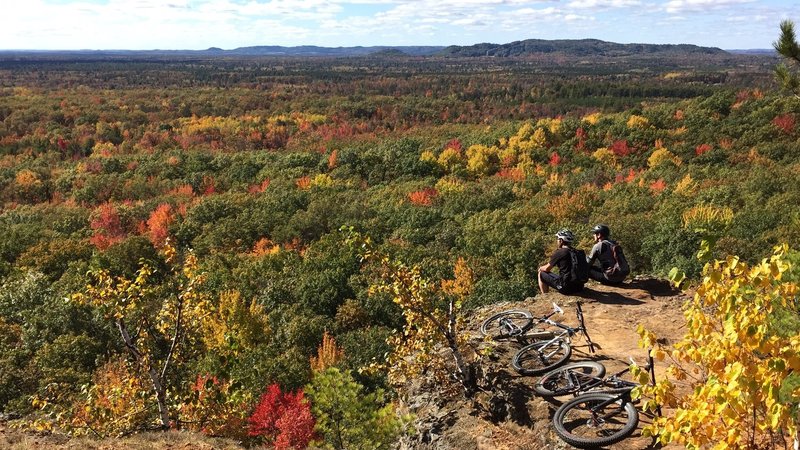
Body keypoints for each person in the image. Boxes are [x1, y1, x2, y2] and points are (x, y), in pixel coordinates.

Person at [538, 229, 585, 295]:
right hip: (579, 287)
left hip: (566, 288)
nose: (557, 241)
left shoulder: (560, 252)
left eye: (557, 239)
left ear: (561, 240)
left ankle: (545, 296)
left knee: (541, 273)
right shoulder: (577, 252)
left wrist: (540, 268)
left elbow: (547, 268)